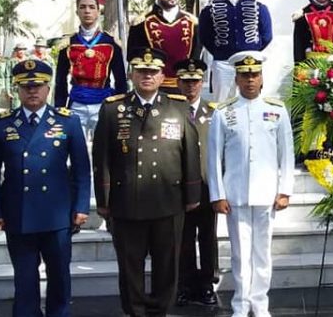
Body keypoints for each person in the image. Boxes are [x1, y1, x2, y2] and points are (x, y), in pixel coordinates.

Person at [92, 48, 201, 317]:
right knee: (130, 267)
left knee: (167, 266)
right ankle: (135, 312)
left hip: (168, 201)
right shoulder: (113, 108)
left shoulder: (177, 106)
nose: (147, 76)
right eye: (141, 71)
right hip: (127, 202)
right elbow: (101, 158)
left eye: (153, 72)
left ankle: (160, 311)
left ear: (163, 76)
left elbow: (190, 153)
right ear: (131, 74)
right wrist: (103, 200)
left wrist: (192, 195)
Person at [0, 59, 90, 317]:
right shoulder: (1, 124)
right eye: (26, 87)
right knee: (24, 280)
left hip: (57, 214)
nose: (32, 91)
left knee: (59, 277)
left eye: (38, 86)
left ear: (48, 88)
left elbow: (81, 169)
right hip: (18, 212)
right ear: (17, 90)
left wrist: (81, 206)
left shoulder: (68, 122)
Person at [207, 51, 294, 317]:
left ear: (262, 78)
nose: (250, 80)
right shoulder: (224, 112)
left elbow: (287, 154)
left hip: (266, 193)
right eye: (244, 75)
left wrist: (285, 190)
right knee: (240, 253)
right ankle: (241, 304)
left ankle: (260, 303)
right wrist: (217, 194)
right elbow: (214, 156)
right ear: (236, 79)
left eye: (254, 75)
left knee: (262, 252)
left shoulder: (276, 110)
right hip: (235, 193)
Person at [173, 58, 219, 307]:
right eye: (186, 81)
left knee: (208, 237)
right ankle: (186, 284)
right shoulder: (170, 111)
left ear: (202, 83)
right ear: (178, 82)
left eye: (195, 81)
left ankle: (207, 283)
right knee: (183, 238)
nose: (191, 86)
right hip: (179, 185)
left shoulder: (214, 112)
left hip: (206, 185)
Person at [54, 0, 128, 141]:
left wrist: (120, 106)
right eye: (82, 7)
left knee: (102, 148)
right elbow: (60, 81)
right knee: (74, 147)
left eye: (91, 7)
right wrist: (60, 108)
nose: (87, 11)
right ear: (77, 12)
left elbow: (120, 79)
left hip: (103, 103)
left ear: (98, 12)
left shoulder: (111, 43)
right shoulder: (67, 44)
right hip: (76, 104)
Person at [198, 0, 273, 102]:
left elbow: (267, 34)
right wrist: (219, 51)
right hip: (223, 63)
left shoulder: (257, 2)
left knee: (251, 102)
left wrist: (252, 50)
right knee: (221, 104)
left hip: (249, 63)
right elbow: (204, 34)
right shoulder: (211, 3)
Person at [128, 0, 202, 95]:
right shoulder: (141, 23)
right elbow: (133, 57)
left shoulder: (192, 22)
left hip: (184, 86)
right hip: (153, 88)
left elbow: (196, 55)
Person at [6, 43, 30, 110]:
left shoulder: (30, 61)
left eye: (23, 50)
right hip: (16, 89)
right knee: (16, 109)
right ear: (16, 51)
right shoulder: (11, 62)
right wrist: (8, 91)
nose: (21, 51)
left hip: (28, 88)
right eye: (19, 50)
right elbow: (7, 76)